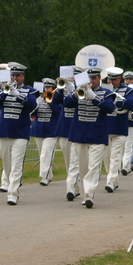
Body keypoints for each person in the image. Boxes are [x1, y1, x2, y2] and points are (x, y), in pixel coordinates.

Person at [64, 67, 115, 208]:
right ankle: (84, 191)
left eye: (94, 78)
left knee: (93, 167)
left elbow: (110, 108)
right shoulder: (78, 90)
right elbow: (66, 104)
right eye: (89, 78)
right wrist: (75, 94)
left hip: (97, 135)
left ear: (99, 78)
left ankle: (89, 195)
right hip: (79, 134)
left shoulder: (107, 93)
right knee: (82, 167)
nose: (91, 81)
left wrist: (94, 97)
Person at [0, 62, 38, 205]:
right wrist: (4, 92)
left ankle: (13, 194)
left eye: (18, 75)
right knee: (7, 165)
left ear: (23, 76)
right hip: (5, 131)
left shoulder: (30, 91)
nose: (15, 78)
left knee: (17, 164)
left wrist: (17, 94)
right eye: (13, 75)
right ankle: (12, 183)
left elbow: (32, 106)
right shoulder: (2, 88)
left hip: (21, 133)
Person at [104, 68, 133, 192]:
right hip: (106, 128)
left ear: (120, 79)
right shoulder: (104, 89)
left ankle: (110, 182)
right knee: (106, 157)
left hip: (120, 128)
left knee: (115, 156)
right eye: (109, 79)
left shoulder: (128, 90)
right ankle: (113, 178)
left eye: (114, 79)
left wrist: (118, 101)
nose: (111, 82)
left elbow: (132, 104)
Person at [52, 66, 82, 200]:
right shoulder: (64, 89)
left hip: (78, 128)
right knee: (68, 161)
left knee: (75, 161)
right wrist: (62, 89)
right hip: (64, 128)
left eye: (74, 77)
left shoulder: (84, 89)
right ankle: (75, 187)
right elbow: (55, 101)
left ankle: (70, 188)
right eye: (70, 77)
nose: (72, 79)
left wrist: (74, 91)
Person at [30, 78, 61, 186]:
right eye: (45, 87)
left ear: (54, 88)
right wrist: (35, 105)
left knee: (46, 154)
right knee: (42, 154)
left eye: (49, 87)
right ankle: (48, 174)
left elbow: (59, 111)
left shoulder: (57, 98)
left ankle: (45, 177)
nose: (47, 89)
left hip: (52, 130)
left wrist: (50, 101)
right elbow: (33, 113)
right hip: (39, 129)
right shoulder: (39, 98)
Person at [121, 71, 133, 176]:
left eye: (130, 79)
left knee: (129, 144)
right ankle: (126, 167)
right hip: (122, 120)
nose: (128, 81)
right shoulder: (121, 91)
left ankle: (125, 166)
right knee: (122, 145)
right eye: (127, 79)